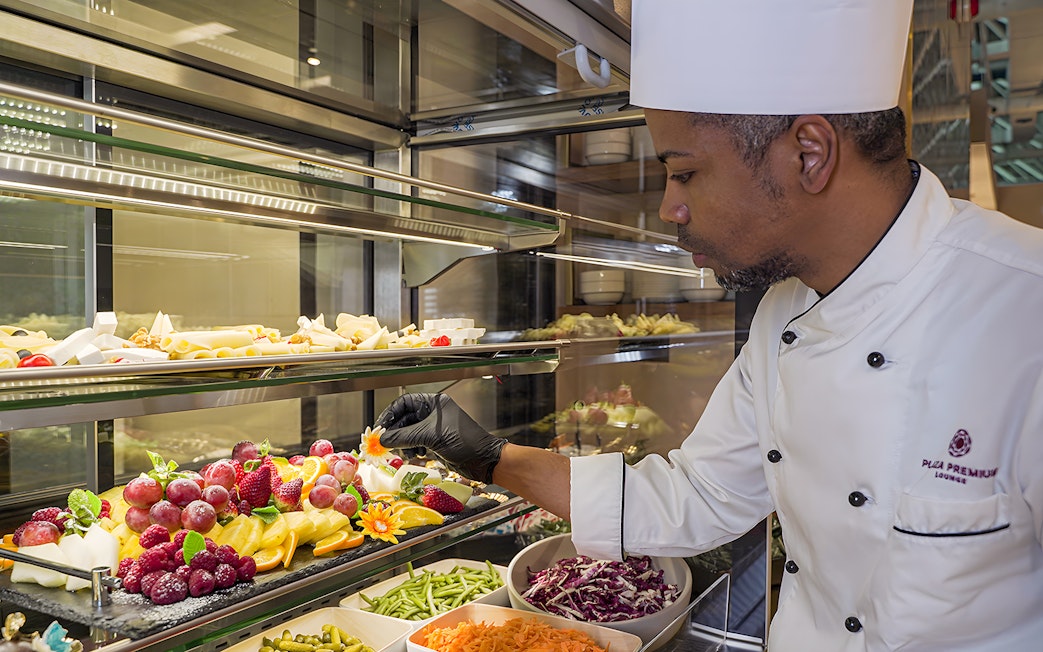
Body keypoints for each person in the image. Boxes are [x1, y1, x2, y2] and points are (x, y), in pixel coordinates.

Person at [376, 1, 1043, 649]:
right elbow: (700, 496)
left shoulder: (1022, 309)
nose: (669, 208)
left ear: (809, 154)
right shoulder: (785, 310)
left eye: (686, 173)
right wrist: (492, 458)